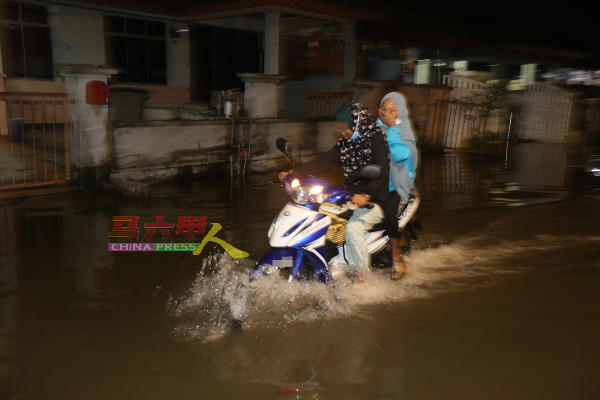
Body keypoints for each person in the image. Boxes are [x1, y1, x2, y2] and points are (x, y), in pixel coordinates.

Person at [279, 102, 390, 279]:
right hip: (349, 198)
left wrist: (367, 194)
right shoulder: (345, 143)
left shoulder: (375, 138)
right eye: (338, 125)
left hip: (372, 200)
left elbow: (382, 170)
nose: (339, 130)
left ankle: (363, 277)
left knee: (353, 228)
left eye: (342, 125)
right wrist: (294, 172)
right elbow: (324, 161)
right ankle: (314, 265)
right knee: (316, 217)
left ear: (355, 122)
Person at [377, 92, 418, 280]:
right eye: (384, 109)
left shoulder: (404, 132)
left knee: (389, 211)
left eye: (392, 110)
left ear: (400, 112)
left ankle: (395, 255)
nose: (387, 113)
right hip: (378, 182)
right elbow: (350, 137)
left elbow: (400, 154)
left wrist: (392, 126)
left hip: (397, 185)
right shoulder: (375, 129)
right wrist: (341, 122)